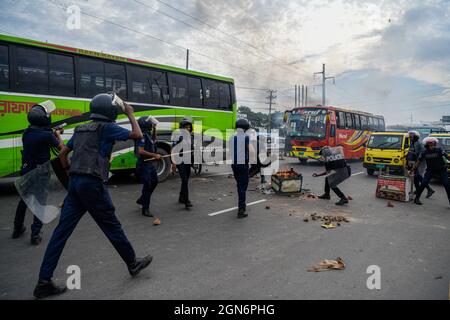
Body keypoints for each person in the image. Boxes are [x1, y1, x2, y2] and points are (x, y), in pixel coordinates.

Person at [33, 93, 152, 299]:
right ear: (110, 111)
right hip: (93, 184)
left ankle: (44, 281)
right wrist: (131, 114)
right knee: (112, 226)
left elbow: (62, 154)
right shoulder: (107, 128)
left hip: (76, 184)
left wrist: (70, 174)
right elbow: (138, 135)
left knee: (61, 232)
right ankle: (133, 263)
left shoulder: (81, 128)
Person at [12, 101, 64, 245]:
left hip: (27, 169)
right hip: (41, 172)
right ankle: (35, 234)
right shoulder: (47, 136)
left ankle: (17, 228)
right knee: (40, 202)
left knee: (24, 199)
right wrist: (57, 134)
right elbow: (62, 149)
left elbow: (39, 137)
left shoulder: (26, 133)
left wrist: (51, 133)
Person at [411, 137, 450, 206]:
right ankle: (416, 199)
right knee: (424, 183)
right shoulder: (424, 152)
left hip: (442, 170)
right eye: (431, 145)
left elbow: (447, 157)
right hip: (430, 170)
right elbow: (418, 162)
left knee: (446, 184)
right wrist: (412, 169)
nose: (432, 146)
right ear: (427, 145)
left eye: (434, 145)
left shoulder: (439, 150)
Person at [229, 118, 255, 218]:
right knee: (242, 187)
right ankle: (241, 210)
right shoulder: (246, 137)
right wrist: (252, 160)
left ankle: (241, 205)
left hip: (234, 165)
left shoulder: (231, 138)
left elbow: (230, 151)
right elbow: (251, 151)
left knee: (239, 185)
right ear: (245, 127)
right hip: (243, 165)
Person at [135, 116, 161, 217]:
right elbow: (140, 151)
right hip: (143, 164)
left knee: (154, 182)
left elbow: (154, 140)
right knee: (148, 185)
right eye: (150, 124)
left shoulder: (147, 134)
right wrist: (154, 155)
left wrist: (155, 128)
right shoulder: (141, 136)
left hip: (149, 164)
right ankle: (145, 208)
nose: (151, 125)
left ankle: (142, 199)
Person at [172, 117, 194, 209]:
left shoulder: (191, 136)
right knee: (184, 180)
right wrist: (173, 163)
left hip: (188, 161)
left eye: (189, 127)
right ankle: (186, 201)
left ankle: (181, 197)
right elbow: (173, 150)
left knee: (186, 180)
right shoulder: (178, 136)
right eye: (186, 127)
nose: (188, 129)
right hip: (180, 161)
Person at [407, 131, 435, 198]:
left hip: (420, 162)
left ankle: (429, 189)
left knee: (418, 176)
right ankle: (418, 190)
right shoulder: (412, 143)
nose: (410, 138)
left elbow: (421, 153)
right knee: (416, 178)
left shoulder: (418, 143)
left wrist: (417, 161)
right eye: (410, 137)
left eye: (412, 137)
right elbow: (411, 152)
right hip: (415, 161)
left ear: (416, 137)